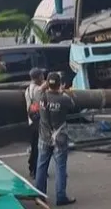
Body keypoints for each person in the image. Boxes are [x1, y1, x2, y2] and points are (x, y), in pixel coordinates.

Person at [34, 71, 77, 206]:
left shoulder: (40, 96)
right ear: (59, 84)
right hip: (59, 137)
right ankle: (60, 196)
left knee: (41, 166)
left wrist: (45, 85)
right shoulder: (63, 98)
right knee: (60, 167)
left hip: (44, 136)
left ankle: (40, 196)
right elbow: (73, 105)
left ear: (47, 83)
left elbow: (39, 90)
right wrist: (62, 91)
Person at [26, 68, 45, 180]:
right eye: (42, 75)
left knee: (34, 146)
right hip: (39, 121)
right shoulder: (38, 90)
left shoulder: (28, 89)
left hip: (31, 120)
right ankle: (35, 170)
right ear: (39, 77)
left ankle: (32, 167)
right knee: (39, 147)